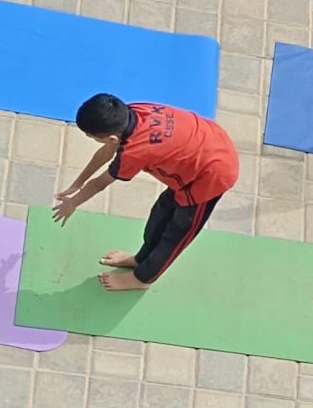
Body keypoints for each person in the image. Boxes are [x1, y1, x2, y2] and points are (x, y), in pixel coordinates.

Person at [52, 94, 240, 289]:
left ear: (111, 137)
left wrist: (74, 202)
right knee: (160, 215)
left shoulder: (134, 151)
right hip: (203, 149)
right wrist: (78, 183)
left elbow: (101, 182)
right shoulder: (132, 111)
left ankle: (142, 279)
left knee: (177, 233)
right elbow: (107, 151)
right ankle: (141, 258)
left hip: (212, 174)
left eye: (91, 137)